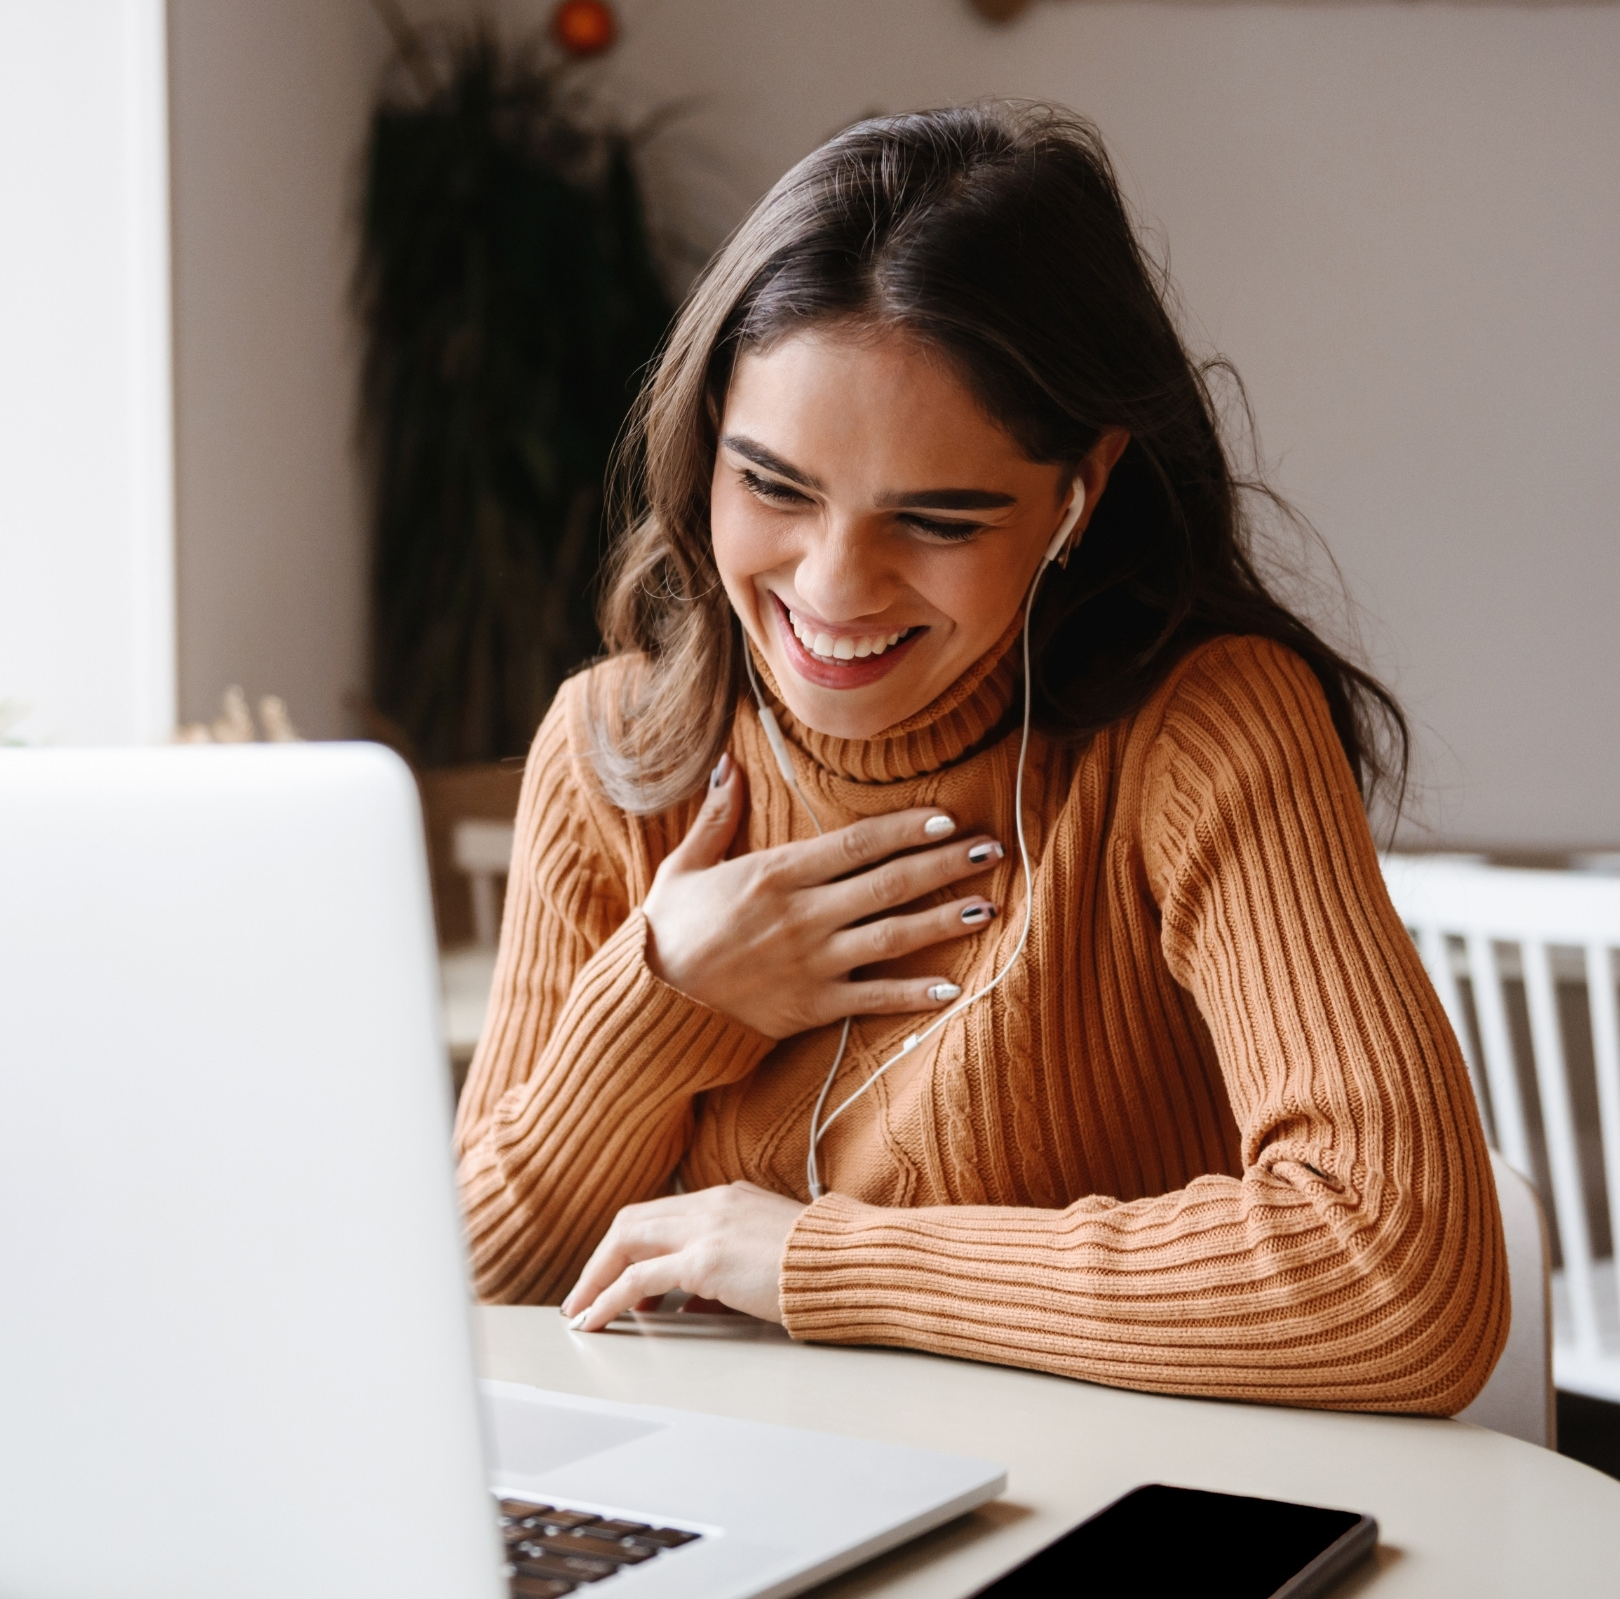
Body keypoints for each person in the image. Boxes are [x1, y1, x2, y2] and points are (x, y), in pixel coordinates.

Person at [454, 103, 1507, 1413]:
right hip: (741, 1490)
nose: (832, 589)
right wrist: (669, 1001)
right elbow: (464, 1296)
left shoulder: (1205, 729)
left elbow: (1400, 1277)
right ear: (708, 434)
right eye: (773, 485)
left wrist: (820, 1263)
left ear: (1078, 492)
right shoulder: (617, 749)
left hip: (1115, 1497)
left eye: (938, 520)